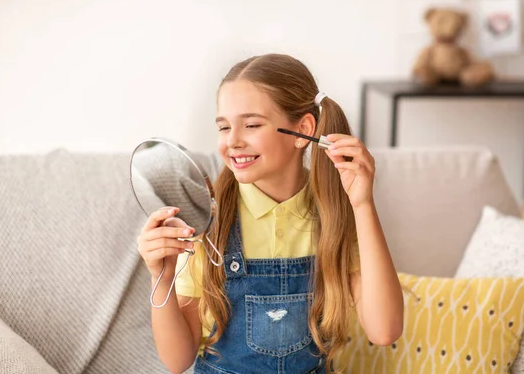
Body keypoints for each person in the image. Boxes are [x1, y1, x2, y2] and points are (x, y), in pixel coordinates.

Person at [137, 53, 404, 373]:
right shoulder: (208, 220)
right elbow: (177, 360)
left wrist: (362, 205)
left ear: (303, 130)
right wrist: (162, 277)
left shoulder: (335, 216)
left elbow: (385, 330)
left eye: (251, 124)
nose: (232, 141)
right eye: (224, 127)